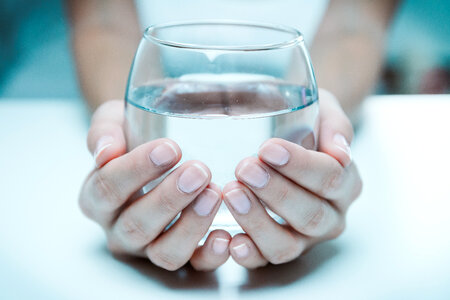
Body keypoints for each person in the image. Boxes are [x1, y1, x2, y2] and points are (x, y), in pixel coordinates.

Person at [69, 0, 397, 271]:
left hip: (296, 74)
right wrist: (124, 129)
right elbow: (104, 18)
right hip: (157, 74)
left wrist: (321, 126)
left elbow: (352, 23)